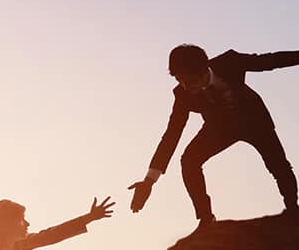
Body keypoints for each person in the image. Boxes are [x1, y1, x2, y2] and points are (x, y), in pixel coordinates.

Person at [128, 44, 299, 225]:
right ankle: (206, 218)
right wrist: (149, 182)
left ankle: (292, 208)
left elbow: (270, 61)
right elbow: (172, 134)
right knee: (189, 160)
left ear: (203, 71)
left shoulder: (230, 62)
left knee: (278, 164)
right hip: (219, 128)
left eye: (190, 81)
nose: (186, 87)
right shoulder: (181, 95)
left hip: (253, 121)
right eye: (180, 80)